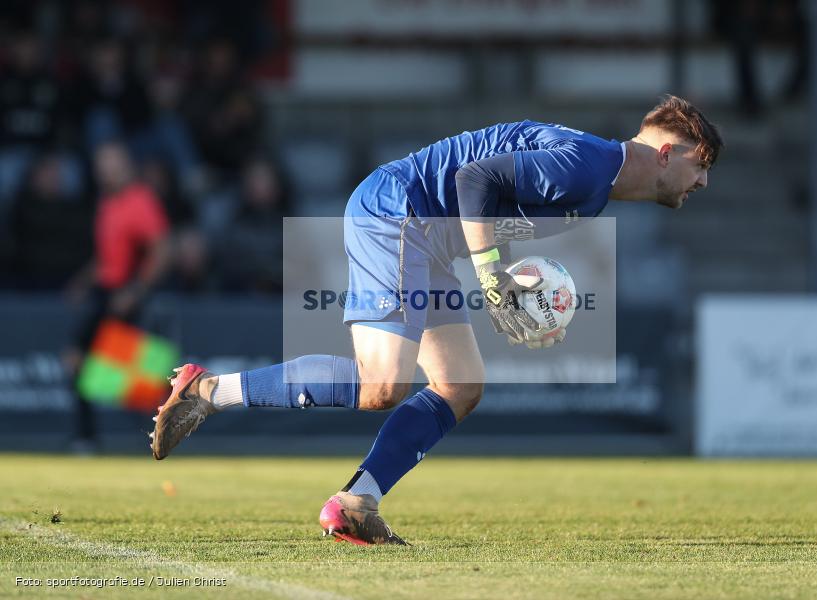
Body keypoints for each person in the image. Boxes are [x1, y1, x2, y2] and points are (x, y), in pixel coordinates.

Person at [149, 95, 723, 544]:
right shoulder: (589, 166)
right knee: (383, 385)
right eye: (701, 167)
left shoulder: (595, 186)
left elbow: (494, 206)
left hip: (431, 237)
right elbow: (475, 180)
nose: (702, 184)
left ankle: (356, 504)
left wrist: (521, 290)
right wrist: (494, 277)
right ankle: (208, 390)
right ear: (668, 153)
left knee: (460, 385)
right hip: (398, 213)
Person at [66, 141, 170, 451]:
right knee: (80, 362)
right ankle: (87, 437)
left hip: (125, 295)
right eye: (102, 163)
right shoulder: (107, 202)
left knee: (125, 372)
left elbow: (163, 249)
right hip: (104, 293)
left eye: (113, 162)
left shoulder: (139, 200)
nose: (106, 169)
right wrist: (83, 282)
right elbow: (107, 257)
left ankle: (167, 422)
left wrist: (136, 290)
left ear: (127, 165)